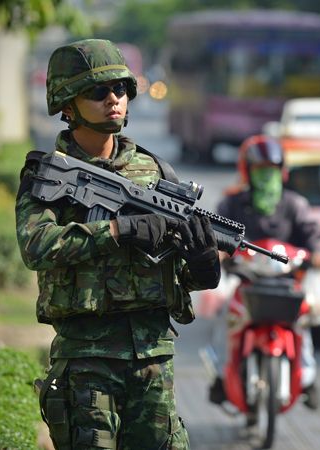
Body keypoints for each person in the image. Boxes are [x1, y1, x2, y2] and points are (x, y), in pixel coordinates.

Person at [16, 39, 220, 450]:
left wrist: (201, 263)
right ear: (66, 104)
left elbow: (178, 276)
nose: (114, 99)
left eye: (122, 89)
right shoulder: (51, 174)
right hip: (86, 360)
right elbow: (36, 246)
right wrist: (116, 232)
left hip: (152, 359)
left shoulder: (158, 173)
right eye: (98, 91)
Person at [207, 134, 320, 410]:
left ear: (282, 172)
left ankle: (308, 379)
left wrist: (319, 254)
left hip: (287, 283)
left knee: (303, 322)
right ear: (247, 172)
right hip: (245, 282)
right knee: (225, 318)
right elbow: (216, 234)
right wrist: (219, 252)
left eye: (271, 170)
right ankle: (220, 376)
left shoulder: (295, 204)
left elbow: (312, 235)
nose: (267, 176)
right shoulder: (232, 204)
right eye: (260, 170)